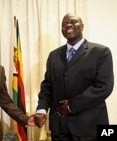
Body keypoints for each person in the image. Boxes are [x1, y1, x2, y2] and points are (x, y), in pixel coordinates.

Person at [34, 13, 114, 141]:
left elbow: (104, 87)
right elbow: (47, 86)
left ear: (82, 26)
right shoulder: (53, 56)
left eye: (73, 21)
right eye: (64, 24)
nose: (68, 25)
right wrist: (42, 109)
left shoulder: (101, 52)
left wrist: (72, 106)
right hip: (60, 128)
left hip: (89, 127)